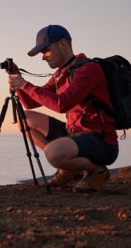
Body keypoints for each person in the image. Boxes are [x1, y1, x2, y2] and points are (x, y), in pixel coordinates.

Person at [8, 24, 118, 193]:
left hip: (100, 140)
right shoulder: (60, 74)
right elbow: (31, 103)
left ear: (63, 44)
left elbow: (62, 104)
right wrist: (19, 85)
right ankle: (69, 167)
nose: (43, 57)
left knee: (53, 153)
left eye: (46, 50)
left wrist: (25, 85)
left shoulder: (88, 69)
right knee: (25, 119)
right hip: (74, 135)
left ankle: (98, 171)